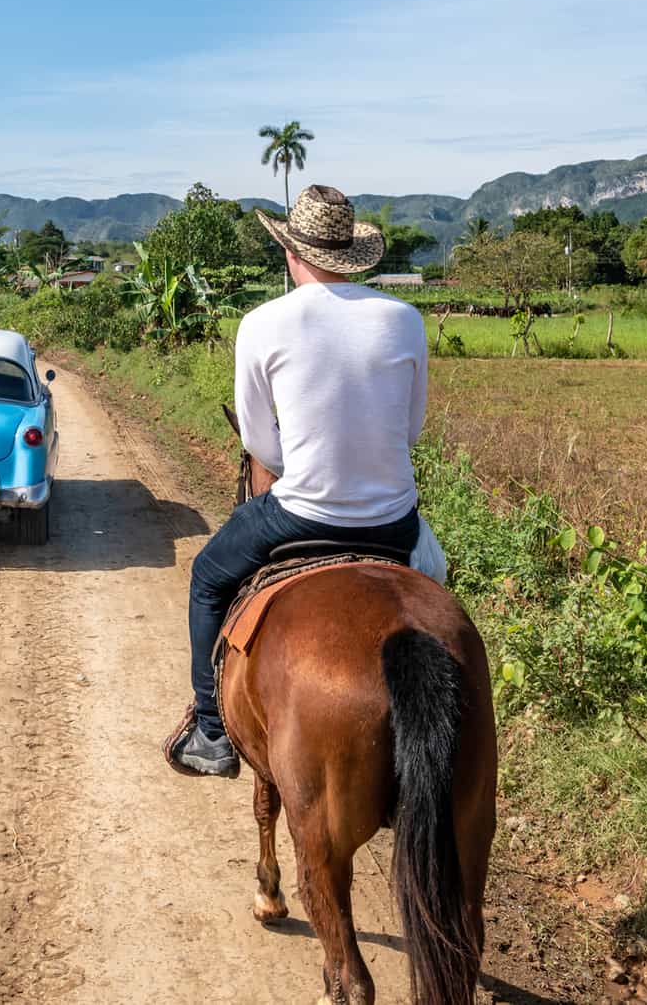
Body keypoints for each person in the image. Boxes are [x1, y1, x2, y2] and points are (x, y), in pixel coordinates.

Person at [166, 183, 448, 778]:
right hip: (395, 520)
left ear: (292, 254)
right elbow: (411, 429)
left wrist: (305, 471)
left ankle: (213, 730)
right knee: (440, 588)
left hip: (298, 513)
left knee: (209, 577)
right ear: (354, 257)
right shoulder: (405, 318)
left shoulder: (262, 322)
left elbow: (257, 443)